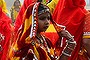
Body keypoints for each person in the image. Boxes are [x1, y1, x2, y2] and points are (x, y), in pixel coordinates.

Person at [8, 2, 76, 60]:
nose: (47, 22)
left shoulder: (46, 42)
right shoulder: (25, 46)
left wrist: (71, 42)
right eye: (42, 18)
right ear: (32, 20)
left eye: (48, 18)